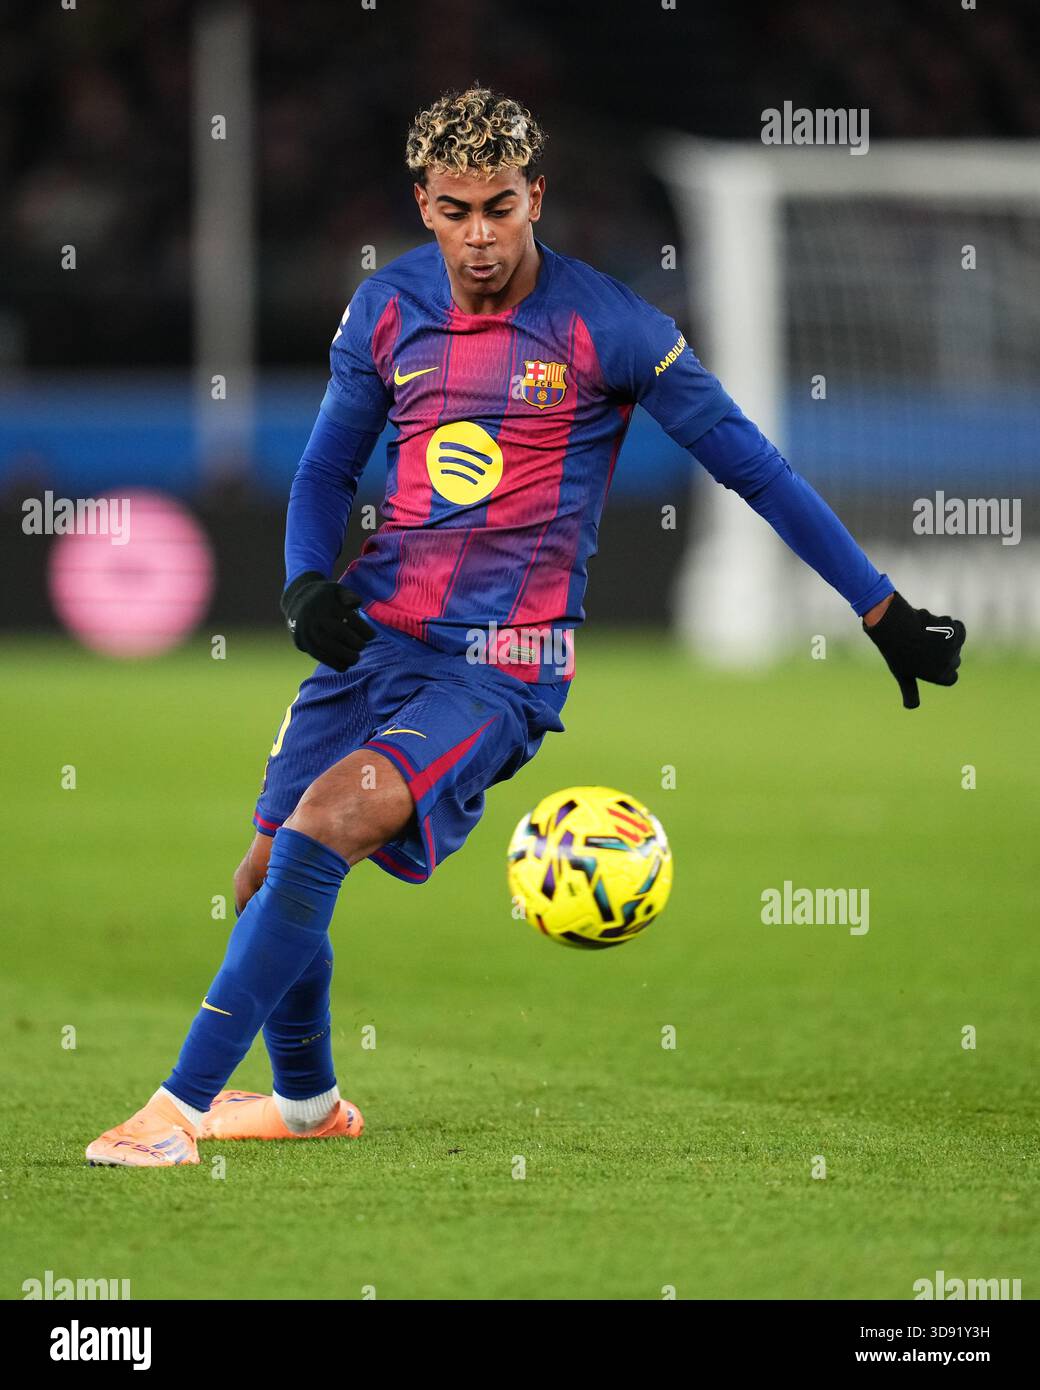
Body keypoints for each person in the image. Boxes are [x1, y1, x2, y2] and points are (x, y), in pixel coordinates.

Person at [86, 86, 965, 1166]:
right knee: (264, 876)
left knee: (325, 821)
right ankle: (307, 1103)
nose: (480, 235)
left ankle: (172, 1112)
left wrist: (878, 608)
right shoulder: (384, 310)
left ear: (534, 195)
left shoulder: (616, 329)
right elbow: (323, 466)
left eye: (499, 207)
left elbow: (755, 469)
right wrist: (305, 582)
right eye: (455, 210)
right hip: (377, 635)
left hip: (501, 666)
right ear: (423, 205)